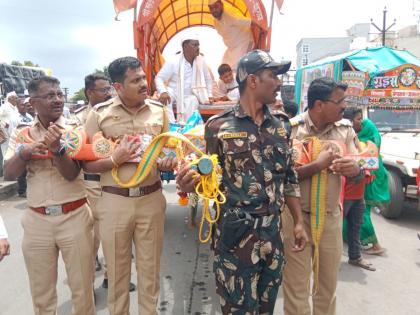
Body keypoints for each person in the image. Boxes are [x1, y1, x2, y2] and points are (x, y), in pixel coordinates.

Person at [177, 50, 308, 314]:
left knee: (265, 308)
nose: (279, 82)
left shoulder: (282, 126)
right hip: (235, 235)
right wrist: (190, 185)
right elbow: (209, 176)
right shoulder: (218, 126)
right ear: (252, 81)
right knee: (237, 309)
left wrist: (298, 223)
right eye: (273, 75)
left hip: (273, 233)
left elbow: (289, 177)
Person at [84, 56, 177, 315]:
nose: (143, 83)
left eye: (144, 77)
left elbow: (168, 150)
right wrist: (114, 159)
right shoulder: (99, 115)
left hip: (151, 198)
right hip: (114, 202)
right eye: (135, 80)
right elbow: (85, 165)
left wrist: (169, 162)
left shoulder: (159, 111)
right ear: (118, 86)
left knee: (150, 271)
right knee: (117, 273)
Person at [3, 76, 95, 315]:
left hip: (74, 216)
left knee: (83, 292)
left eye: (59, 95)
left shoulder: (77, 130)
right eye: (49, 95)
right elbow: (10, 174)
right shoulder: (23, 135)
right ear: (32, 102)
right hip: (37, 222)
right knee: (42, 296)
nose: (57, 99)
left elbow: (72, 174)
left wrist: (57, 149)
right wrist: (26, 153)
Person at [283, 77, 362, 315]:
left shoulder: (346, 131)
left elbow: (360, 170)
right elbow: (281, 178)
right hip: (296, 219)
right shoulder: (290, 130)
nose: (344, 106)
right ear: (319, 104)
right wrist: (318, 165)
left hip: (330, 220)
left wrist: (355, 170)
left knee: (326, 289)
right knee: (296, 288)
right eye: (339, 101)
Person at [76, 73, 137, 292]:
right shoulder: (79, 117)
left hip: (111, 181)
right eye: (103, 90)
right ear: (89, 92)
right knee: (90, 238)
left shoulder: (115, 112)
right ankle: (87, 283)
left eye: (109, 89)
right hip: (86, 182)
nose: (108, 94)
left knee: (112, 234)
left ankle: (112, 277)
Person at [347, 116, 389, 255]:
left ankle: (375, 245)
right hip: (366, 183)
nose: (360, 122)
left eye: (361, 121)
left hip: (364, 184)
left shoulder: (365, 144)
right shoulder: (369, 142)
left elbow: (363, 165)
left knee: (362, 214)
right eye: (359, 119)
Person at [341, 107, 375, 271]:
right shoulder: (342, 141)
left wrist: (366, 171)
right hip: (344, 194)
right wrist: (363, 167)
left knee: (355, 227)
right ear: (349, 122)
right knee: (335, 228)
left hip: (358, 194)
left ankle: (355, 257)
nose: (361, 122)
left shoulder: (359, 142)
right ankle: (328, 260)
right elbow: (345, 164)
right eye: (358, 118)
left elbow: (365, 162)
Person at [155, 36, 214, 124]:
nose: (198, 48)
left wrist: (209, 95)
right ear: (185, 47)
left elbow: (208, 80)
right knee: (165, 98)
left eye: (198, 45)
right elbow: (159, 78)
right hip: (174, 92)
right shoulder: (173, 61)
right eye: (194, 45)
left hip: (191, 94)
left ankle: (187, 130)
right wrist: (163, 91)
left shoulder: (201, 61)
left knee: (193, 100)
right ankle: (172, 127)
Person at [208, 0, 254, 69]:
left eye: (216, 6)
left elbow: (250, 22)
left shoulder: (230, 14)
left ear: (221, 4)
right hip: (231, 50)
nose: (214, 10)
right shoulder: (215, 22)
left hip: (243, 44)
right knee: (224, 67)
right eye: (211, 8)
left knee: (235, 68)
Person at [15, 98, 34, 197]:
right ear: (17, 106)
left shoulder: (29, 116)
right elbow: (13, 132)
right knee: (21, 170)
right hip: (19, 144)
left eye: (25, 105)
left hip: (29, 143)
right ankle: (22, 191)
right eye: (22, 105)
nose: (24, 107)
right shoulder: (15, 117)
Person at [0, 91, 20, 159]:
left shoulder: (15, 107)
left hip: (14, 132)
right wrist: (4, 124)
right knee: (6, 152)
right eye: (15, 98)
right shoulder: (5, 107)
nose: (17, 100)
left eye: (17, 98)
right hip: (6, 133)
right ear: (10, 99)